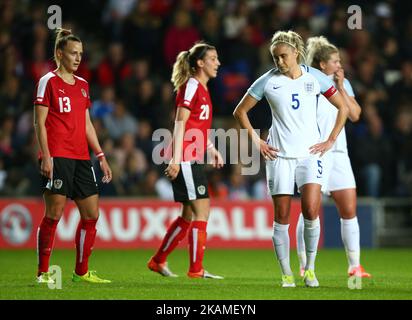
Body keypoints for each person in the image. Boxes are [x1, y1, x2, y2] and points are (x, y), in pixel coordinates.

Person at [233, 30, 349, 288]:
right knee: (282, 216)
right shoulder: (268, 81)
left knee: (310, 209)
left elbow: (342, 107)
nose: (279, 62)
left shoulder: (315, 78)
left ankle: (309, 269)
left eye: (283, 56)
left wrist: (330, 140)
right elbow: (240, 112)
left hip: (309, 155)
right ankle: (286, 273)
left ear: (296, 52)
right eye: (275, 58)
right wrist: (256, 140)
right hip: (279, 156)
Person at [34, 29, 112, 284]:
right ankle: (43, 272)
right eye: (73, 53)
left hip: (81, 157)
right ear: (59, 53)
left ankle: (81, 272)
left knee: (92, 215)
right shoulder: (48, 81)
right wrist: (46, 155)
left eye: (81, 54)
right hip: (57, 155)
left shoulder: (83, 85)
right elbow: (39, 121)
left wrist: (100, 155)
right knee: (54, 214)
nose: (78, 58)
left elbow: (87, 123)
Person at [296, 36, 371, 278]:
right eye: (335, 62)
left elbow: (356, 115)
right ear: (321, 65)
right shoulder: (308, 83)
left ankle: (354, 266)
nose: (340, 65)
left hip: (339, 152)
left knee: (349, 209)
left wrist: (341, 87)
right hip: (316, 152)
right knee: (310, 210)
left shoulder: (343, 84)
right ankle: (303, 263)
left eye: (340, 61)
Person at [147, 42, 224, 279]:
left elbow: (196, 127)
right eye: (212, 58)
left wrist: (211, 148)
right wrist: (176, 159)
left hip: (191, 156)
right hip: (186, 158)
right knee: (202, 211)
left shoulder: (200, 87)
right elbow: (179, 123)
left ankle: (158, 260)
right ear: (199, 63)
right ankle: (195, 270)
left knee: (188, 215)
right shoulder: (191, 86)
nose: (217, 63)